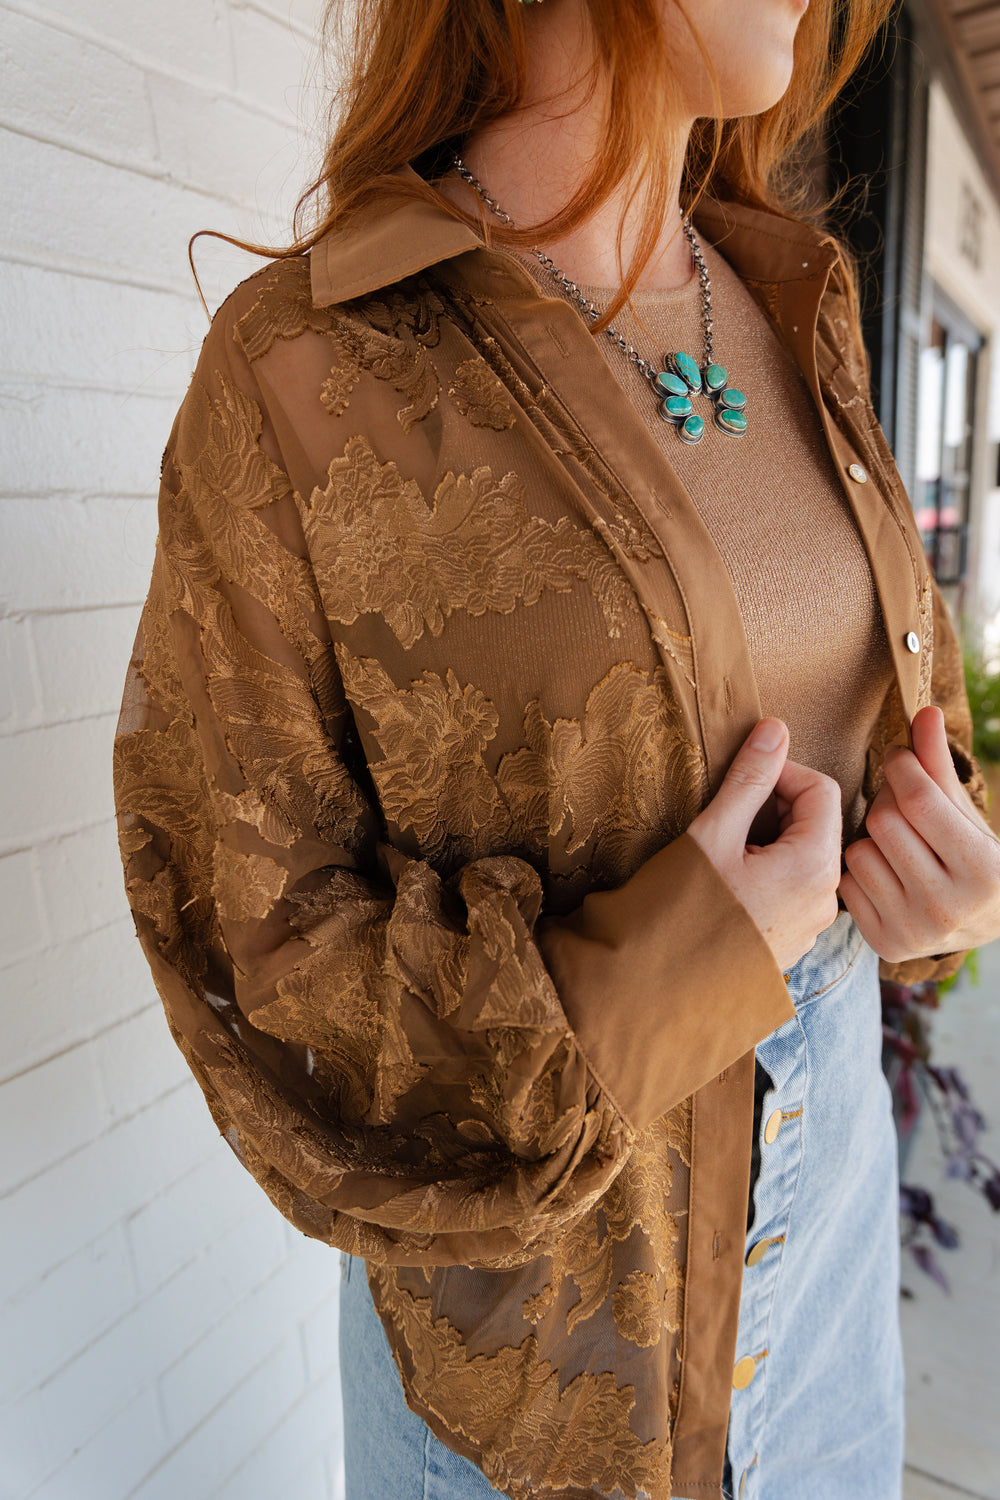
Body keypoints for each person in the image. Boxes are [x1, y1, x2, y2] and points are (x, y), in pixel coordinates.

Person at [113, 0, 1000, 1495]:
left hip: (834, 1282)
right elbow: (248, 947)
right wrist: (657, 972)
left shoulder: (798, 298)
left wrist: (948, 881)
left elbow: (899, 715)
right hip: (534, 1373)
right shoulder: (312, 371)